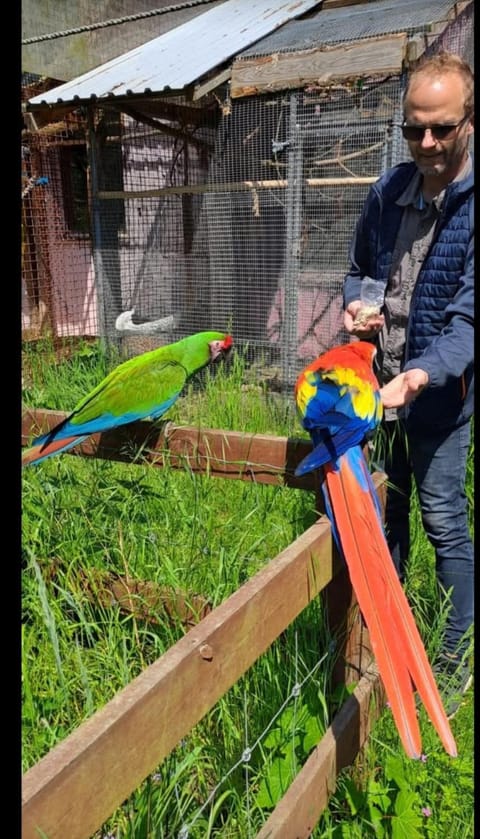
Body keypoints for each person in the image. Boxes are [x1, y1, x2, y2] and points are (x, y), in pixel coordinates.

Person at [342, 51, 474, 717]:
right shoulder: (388, 192)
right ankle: (383, 645)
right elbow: (360, 269)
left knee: (442, 520)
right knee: (384, 513)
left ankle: (451, 665)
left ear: (469, 123)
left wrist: (421, 374)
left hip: (437, 397)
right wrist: (356, 305)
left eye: (441, 128)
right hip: (379, 386)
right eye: (413, 128)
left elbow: (469, 322)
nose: (426, 142)